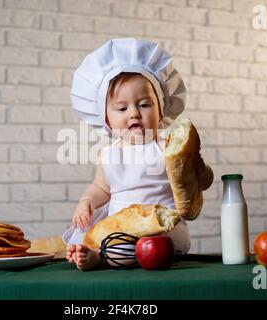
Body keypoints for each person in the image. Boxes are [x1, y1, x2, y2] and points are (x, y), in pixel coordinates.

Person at [62, 38, 214, 271]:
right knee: (113, 242)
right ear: (106, 119)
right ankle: (96, 255)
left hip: (164, 227)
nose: (134, 113)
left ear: (161, 107)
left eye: (144, 104)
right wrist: (86, 202)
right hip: (123, 227)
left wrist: (201, 170)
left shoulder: (168, 147)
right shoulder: (109, 154)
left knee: (148, 243)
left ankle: (103, 257)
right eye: (122, 108)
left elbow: (199, 183)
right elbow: (101, 188)